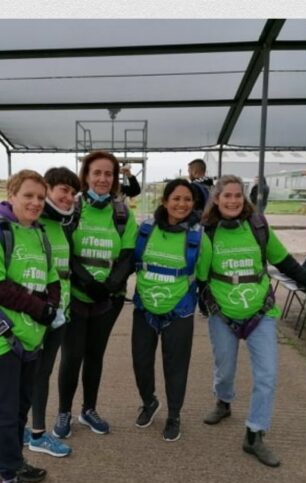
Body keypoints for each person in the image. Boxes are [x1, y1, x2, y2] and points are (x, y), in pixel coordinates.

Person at [196, 175, 306, 467]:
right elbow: (198, 275)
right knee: (225, 369)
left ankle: (255, 433)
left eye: (238, 195)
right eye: (227, 196)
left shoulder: (258, 228)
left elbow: (285, 262)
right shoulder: (207, 232)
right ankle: (223, 401)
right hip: (222, 313)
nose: (233, 201)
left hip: (261, 312)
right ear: (217, 199)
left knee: (268, 375)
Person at [0, 169, 63, 483]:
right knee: (6, 414)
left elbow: (52, 277)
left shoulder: (38, 235)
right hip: (3, 339)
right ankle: (7, 478)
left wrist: (52, 303)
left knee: (22, 407)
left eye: (41, 197)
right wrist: (41, 309)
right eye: (29, 195)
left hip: (32, 338)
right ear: (12, 194)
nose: (36, 203)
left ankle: (16, 460)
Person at [54, 150, 137, 439]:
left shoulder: (123, 213)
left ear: (115, 179)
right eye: (97, 173)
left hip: (108, 301)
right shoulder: (72, 209)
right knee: (72, 355)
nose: (103, 179)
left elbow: (128, 255)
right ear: (86, 176)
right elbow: (63, 250)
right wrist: (87, 282)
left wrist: (111, 285)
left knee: (95, 355)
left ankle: (89, 409)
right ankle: (64, 411)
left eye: (109, 174)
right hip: (75, 296)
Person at [131, 179, 211, 442]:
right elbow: (132, 262)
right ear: (165, 201)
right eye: (176, 198)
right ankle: (149, 401)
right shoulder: (145, 230)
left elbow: (202, 276)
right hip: (144, 309)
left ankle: (174, 414)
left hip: (180, 311)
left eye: (187, 199)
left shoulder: (199, 238)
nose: (181, 204)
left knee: (175, 367)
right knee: (141, 362)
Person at [25, 166, 78, 458]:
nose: (69, 198)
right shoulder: (34, 221)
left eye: (73, 193)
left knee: (39, 373)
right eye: (64, 190)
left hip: (60, 311)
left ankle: (30, 428)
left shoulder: (61, 224)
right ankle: (37, 434)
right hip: (38, 314)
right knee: (38, 374)